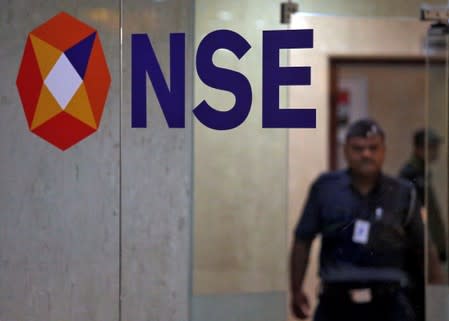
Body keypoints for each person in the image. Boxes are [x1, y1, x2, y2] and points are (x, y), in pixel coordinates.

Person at [290, 119, 426, 321]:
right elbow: (302, 240)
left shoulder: (402, 192)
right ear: (345, 150)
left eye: (373, 148)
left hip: (390, 306)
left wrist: (435, 298)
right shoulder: (326, 189)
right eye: (358, 148)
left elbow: (422, 248)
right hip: (336, 306)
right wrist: (296, 289)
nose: (366, 154)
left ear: (384, 150)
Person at [399, 128, 447, 264]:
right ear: (420, 149)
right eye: (432, 148)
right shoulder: (411, 174)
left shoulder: (422, 171)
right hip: (419, 245)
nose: (435, 152)